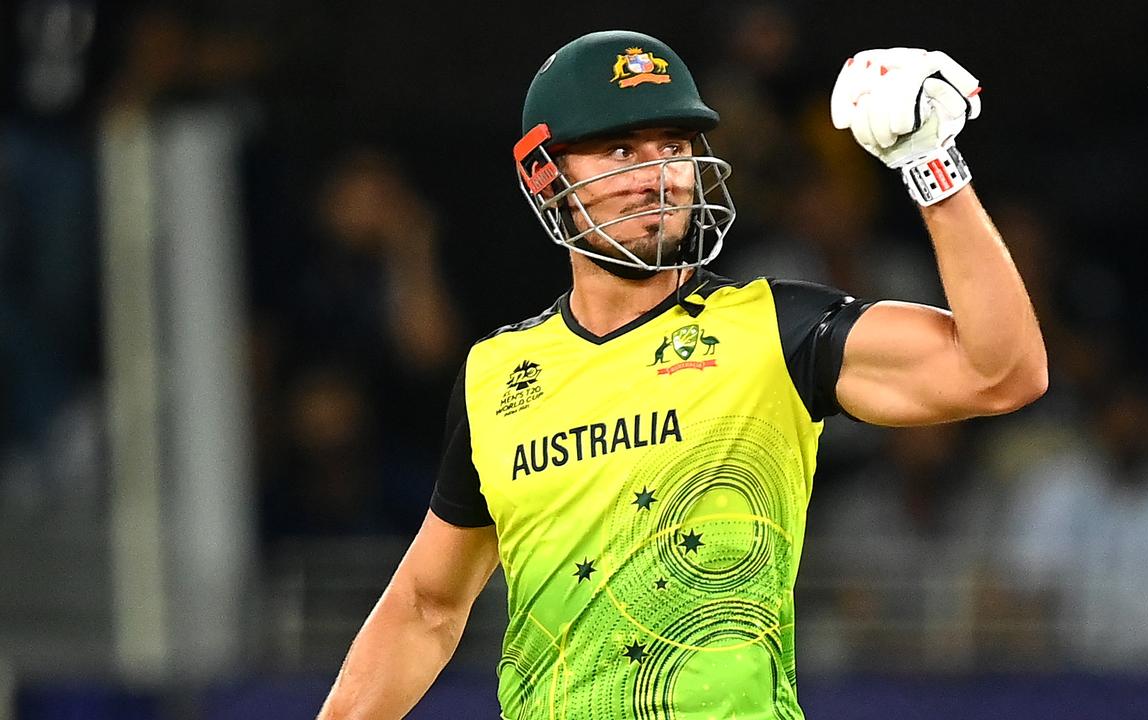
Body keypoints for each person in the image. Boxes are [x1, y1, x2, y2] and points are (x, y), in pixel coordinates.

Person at [317, 32, 1047, 719]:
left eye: (674, 145)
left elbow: (1002, 372)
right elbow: (426, 608)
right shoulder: (497, 375)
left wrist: (933, 167)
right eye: (618, 149)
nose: (656, 174)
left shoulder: (770, 329)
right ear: (545, 175)